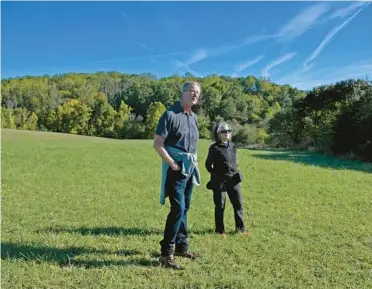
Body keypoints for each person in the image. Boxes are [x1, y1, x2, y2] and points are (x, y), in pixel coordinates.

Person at [153, 81, 201, 269]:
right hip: (176, 169)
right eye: (192, 91)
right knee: (177, 209)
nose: (195, 94)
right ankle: (166, 254)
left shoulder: (193, 117)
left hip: (190, 168)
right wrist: (172, 164)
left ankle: (182, 247)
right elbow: (158, 143)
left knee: (185, 207)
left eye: (197, 92)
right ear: (182, 93)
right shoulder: (170, 114)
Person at [205, 122, 249, 238]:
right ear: (218, 134)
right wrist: (216, 175)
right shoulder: (214, 148)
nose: (227, 134)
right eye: (224, 132)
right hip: (220, 181)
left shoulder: (233, 146)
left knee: (238, 204)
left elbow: (233, 161)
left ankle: (241, 229)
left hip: (234, 180)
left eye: (229, 132)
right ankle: (220, 231)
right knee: (220, 205)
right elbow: (208, 165)